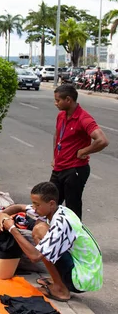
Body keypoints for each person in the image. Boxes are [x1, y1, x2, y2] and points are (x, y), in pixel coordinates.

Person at [0, 182, 103, 302]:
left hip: (83, 278)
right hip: (87, 271)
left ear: (51, 203)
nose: (34, 208)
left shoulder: (61, 223)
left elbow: (35, 256)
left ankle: (60, 290)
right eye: (33, 203)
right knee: (41, 227)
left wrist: (12, 229)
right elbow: (19, 207)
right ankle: (58, 279)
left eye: (37, 204)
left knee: (40, 230)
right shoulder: (58, 210)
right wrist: (2, 214)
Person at [51, 84, 108, 219]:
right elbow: (57, 135)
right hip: (59, 167)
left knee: (72, 209)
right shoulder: (61, 116)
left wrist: (84, 151)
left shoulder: (84, 118)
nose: (55, 103)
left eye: (58, 100)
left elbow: (102, 140)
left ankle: (75, 237)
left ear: (68, 100)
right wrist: (55, 157)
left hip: (74, 170)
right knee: (50, 204)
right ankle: (52, 235)